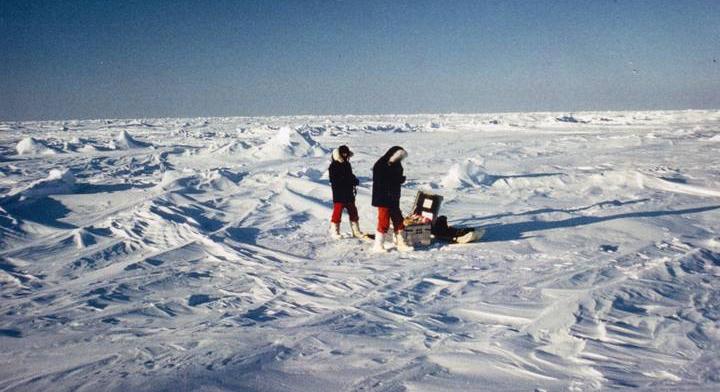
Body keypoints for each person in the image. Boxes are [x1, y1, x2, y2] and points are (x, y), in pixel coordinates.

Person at [371, 146, 414, 252]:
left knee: (398, 220)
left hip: (394, 197)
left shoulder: (397, 164)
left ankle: (400, 242)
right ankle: (378, 245)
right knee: (384, 220)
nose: (399, 159)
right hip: (383, 197)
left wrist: (399, 179)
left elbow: (395, 177)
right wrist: (397, 179)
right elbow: (381, 180)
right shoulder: (380, 164)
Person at [328, 145, 365, 239]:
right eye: (343, 153)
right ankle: (334, 232)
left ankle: (356, 231)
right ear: (340, 154)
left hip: (348, 193)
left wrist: (354, 179)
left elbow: (350, 175)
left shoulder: (347, 164)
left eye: (346, 153)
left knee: (353, 212)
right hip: (339, 194)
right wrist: (348, 180)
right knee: (337, 213)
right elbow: (334, 179)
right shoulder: (334, 165)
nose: (345, 155)